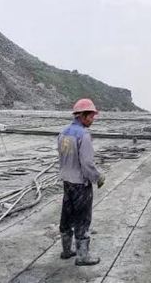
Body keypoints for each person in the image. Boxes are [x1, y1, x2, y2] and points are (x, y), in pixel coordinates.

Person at [57, 98, 104, 266]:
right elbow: (87, 163)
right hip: (80, 185)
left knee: (67, 217)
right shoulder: (84, 135)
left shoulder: (63, 133)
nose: (93, 119)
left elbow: (62, 158)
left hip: (67, 182)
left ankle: (67, 250)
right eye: (91, 116)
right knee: (83, 220)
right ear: (83, 116)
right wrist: (97, 177)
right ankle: (83, 257)